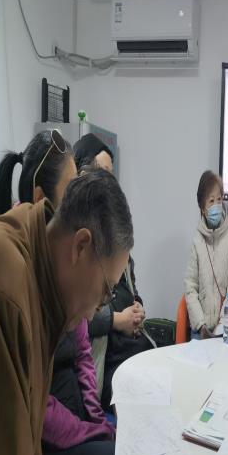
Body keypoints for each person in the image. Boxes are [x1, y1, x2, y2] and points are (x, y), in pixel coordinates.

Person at [0, 151, 133, 455]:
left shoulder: (40, 265)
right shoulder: (6, 287)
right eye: (105, 291)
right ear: (81, 246)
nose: (98, 309)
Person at [73, 133, 154, 410]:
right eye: (101, 173)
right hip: (105, 356)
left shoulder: (115, 233)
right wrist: (117, 320)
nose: (108, 182)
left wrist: (137, 308)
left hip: (130, 342)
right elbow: (76, 316)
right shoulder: (75, 241)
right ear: (81, 175)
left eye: (111, 174)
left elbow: (131, 287)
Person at [184, 170, 228, 339]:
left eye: (219, 199)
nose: (216, 205)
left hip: (225, 327)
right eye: (211, 201)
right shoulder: (197, 241)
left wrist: (223, 323)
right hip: (200, 329)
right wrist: (200, 325)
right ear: (202, 208)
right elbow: (190, 287)